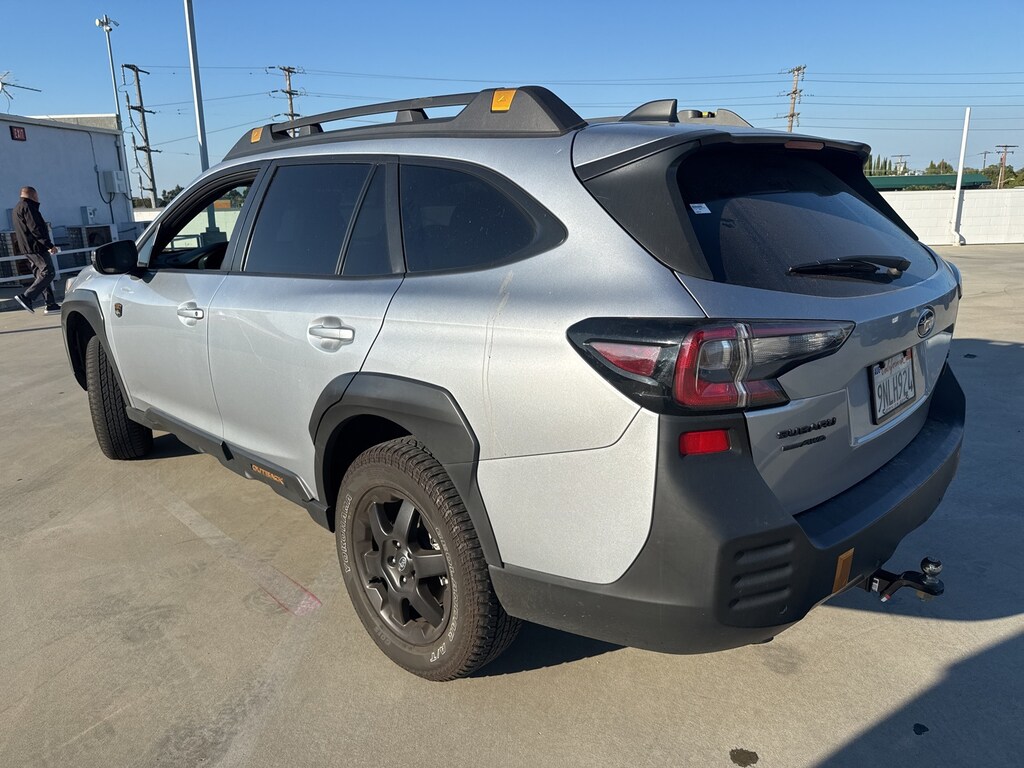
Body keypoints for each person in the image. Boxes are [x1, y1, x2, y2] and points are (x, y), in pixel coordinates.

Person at [12, 186, 61, 314]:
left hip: (27, 248)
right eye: (37, 196)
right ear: (33, 195)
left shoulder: (17, 207)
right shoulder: (29, 207)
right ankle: (27, 297)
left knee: (41, 275)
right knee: (48, 272)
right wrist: (49, 245)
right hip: (35, 247)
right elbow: (36, 228)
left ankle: (50, 304)